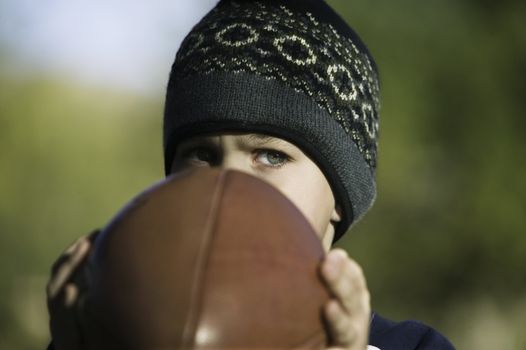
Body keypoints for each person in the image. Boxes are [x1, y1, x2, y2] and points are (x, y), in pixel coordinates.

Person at [46, 0, 456, 349]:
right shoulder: (113, 329)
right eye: (202, 155)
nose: (229, 184)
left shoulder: (414, 346)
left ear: (339, 195)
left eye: (270, 156)